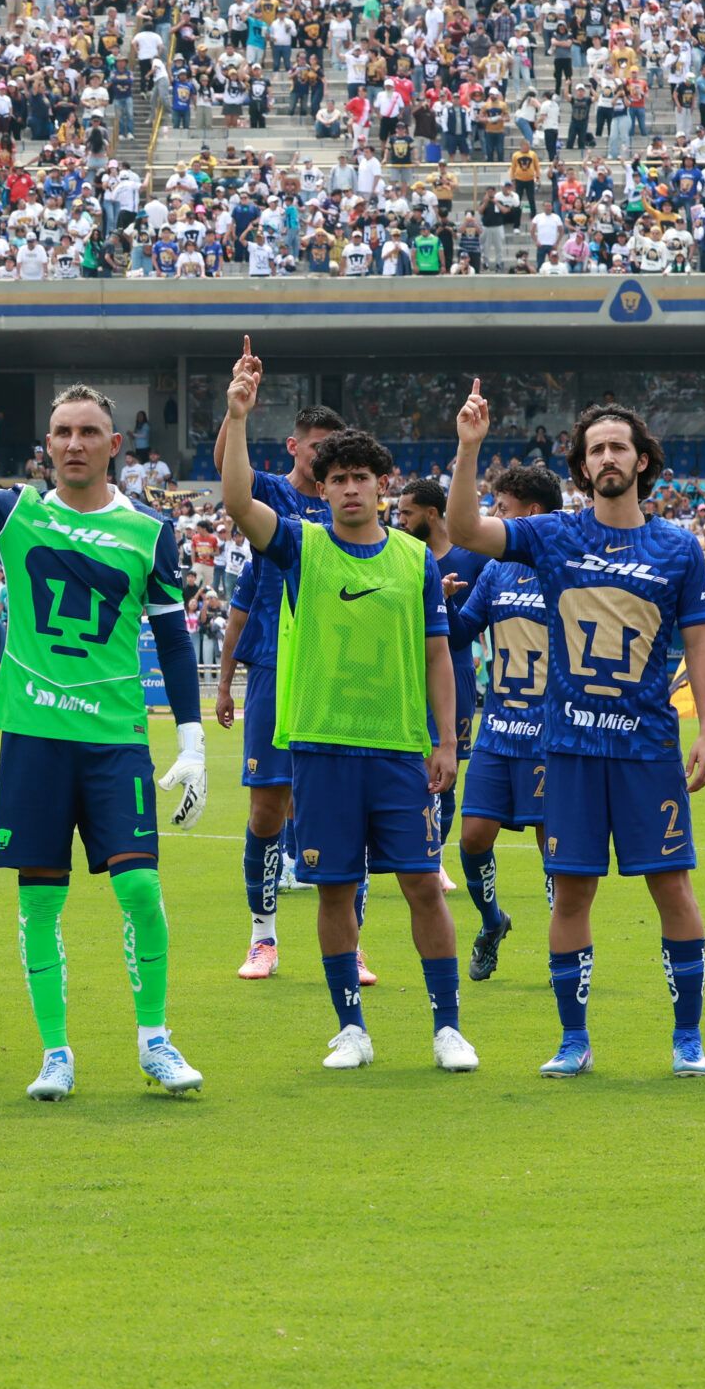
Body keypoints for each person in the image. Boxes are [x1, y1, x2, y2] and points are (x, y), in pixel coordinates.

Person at [0, 319, 209, 1102]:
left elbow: (172, 643)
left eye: (89, 432)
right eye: (62, 432)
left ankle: (155, 1040)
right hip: (35, 736)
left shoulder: (150, 532)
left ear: (115, 446)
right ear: (48, 445)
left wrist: (194, 742)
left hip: (114, 741)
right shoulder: (15, 512)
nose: (74, 443)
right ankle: (56, 1052)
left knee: (139, 890)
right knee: (41, 898)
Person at [449, 386, 705, 1079]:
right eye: (595, 447)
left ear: (641, 461)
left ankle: (687, 1038)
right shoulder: (551, 535)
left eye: (618, 446)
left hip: (647, 748)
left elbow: (700, 644)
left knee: (672, 888)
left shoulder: (678, 547)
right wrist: (469, 447)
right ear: (581, 463)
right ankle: (574, 1040)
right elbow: (465, 533)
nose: (607, 456)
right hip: (568, 748)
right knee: (570, 893)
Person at [224, 345, 472, 1073]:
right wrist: (238, 418)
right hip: (324, 747)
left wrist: (447, 742)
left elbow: (436, 654)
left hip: (397, 749)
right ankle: (351, 1028)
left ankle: (447, 1027)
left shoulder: (414, 559)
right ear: (322, 489)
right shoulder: (300, 546)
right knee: (335, 890)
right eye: (338, 480)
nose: (351, 490)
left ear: (382, 484)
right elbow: (239, 502)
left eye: (362, 478)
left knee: (423, 885)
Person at [213, 404, 340, 981]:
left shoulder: (349, 503)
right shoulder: (269, 495)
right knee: (268, 807)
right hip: (273, 664)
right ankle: (262, 936)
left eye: (334, 450)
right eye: (316, 448)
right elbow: (227, 473)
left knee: (341, 809)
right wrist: (237, 412)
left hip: (339, 672)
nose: (325, 459)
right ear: (293, 447)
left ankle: (349, 943)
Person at [441, 459, 565, 980]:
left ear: (530, 514)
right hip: (498, 729)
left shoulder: (566, 566)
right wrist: (444, 605)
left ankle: (566, 945)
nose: (493, 515)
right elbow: (462, 632)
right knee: (472, 839)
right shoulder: (496, 569)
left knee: (551, 846)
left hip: (549, 731)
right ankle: (493, 923)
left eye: (502, 508)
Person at [396, 475, 487, 874]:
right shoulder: (399, 556)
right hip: (404, 675)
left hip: (456, 675)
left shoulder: (472, 558)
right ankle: (410, 854)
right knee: (404, 770)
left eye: (406, 512)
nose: (397, 519)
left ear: (431, 514)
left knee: (445, 771)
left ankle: (434, 860)